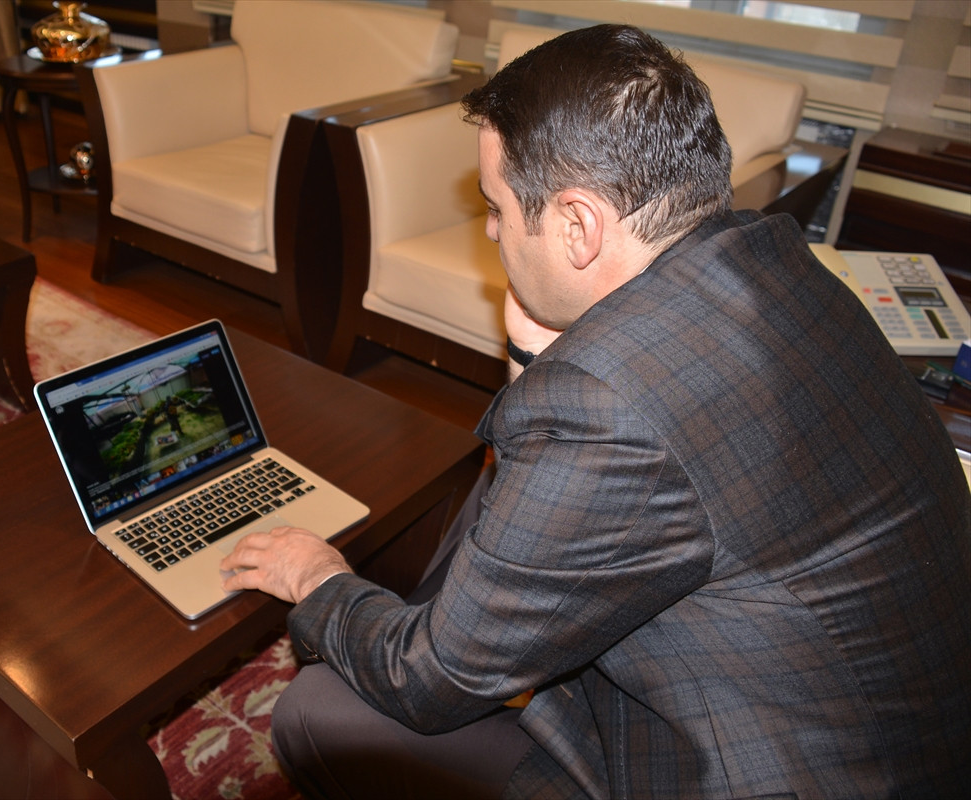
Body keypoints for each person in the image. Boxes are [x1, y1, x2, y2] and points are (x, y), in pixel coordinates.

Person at [220, 24, 971, 799]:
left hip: (751, 770)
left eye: (495, 208)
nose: (491, 230)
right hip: (901, 728)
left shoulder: (607, 408)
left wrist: (318, 578)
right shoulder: (779, 261)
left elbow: (431, 681)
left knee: (318, 710)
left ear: (577, 226)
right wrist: (537, 366)